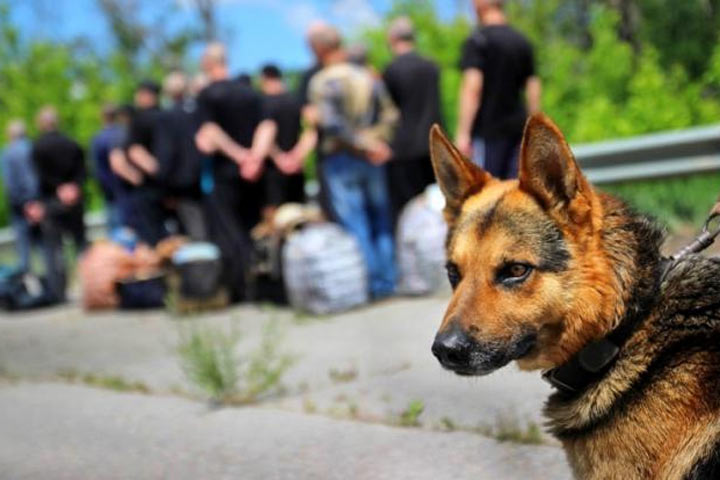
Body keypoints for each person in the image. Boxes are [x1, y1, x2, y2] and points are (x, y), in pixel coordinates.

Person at [307, 26, 400, 299]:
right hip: (372, 157)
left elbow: (332, 124)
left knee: (355, 221)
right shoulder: (368, 76)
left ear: (318, 49)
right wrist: (377, 142)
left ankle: (371, 284)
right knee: (381, 219)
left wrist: (362, 145)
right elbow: (391, 115)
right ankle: (388, 280)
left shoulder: (323, 81)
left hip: (342, 158)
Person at [194, 42, 277, 301]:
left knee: (229, 231)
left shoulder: (207, 95)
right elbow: (267, 126)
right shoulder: (250, 93)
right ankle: (264, 284)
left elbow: (210, 133)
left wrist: (239, 156)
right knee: (254, 226)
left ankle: (241, 288)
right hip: (254, 173)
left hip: (226, 173)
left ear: (208, 63)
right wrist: (255, 157)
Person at [456, 0, 541, 179]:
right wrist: (536, 128)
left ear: (481, 4)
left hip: (488, 134)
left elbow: (473, 86)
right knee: (515, 191)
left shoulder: (478, 41)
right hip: (519, 132)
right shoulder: (521, 41)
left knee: (487, 192)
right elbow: (533, 87)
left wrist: (463, 133)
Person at [383, 17, 444, 225]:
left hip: (404, 149)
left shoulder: (391, 70)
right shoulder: (431, 66)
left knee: (409, 211)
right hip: (434, 145)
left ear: (392, 39)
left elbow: (388, 114)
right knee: (439, 205)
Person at [32, 106, 87, 300]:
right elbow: (83, 170)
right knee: (80, 243)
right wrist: (73, 187)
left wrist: (58, 189)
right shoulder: (71, 142)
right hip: (74, 199)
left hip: (52, 201)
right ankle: (89, 283)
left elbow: (40, 177)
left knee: (55, 249)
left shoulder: (38, 147)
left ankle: (59, 292)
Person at [110, 80, 168, 246]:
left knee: (152, 236)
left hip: (148, 187)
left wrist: (143, 175)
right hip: (171, 185)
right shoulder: (167, 115)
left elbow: (133, 153)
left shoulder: (139, 120)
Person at [154, 71, 207, 241]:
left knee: (195, 232)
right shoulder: (200, 110)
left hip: (182, 184)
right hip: (207, 177)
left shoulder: (167, 116)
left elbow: (166, 153)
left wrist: (164, 186)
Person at [257, 64, 309, 221]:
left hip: (272, 171)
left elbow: (265, 133)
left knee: (274, 215)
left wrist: (279, 158)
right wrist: (297, 156)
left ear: (264, 79)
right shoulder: (296, 101)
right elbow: (310, 130)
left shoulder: (261, 103)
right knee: (298, 215)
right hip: (296, 167)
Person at [1, 120, 41, 272]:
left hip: (19, 206)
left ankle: (29, 285)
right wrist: (34, 202)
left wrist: (25, 204)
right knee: (44, 247)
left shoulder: (8, 153)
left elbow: (10, 184)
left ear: (10, 135)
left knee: (24, 250)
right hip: (38, 204)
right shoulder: (34, 148)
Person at [90, 104, 125, 233]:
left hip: (109, 191)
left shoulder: (98, 139)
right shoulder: (124, 134)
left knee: (115, 230)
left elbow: (96, 169)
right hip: (127, 189)